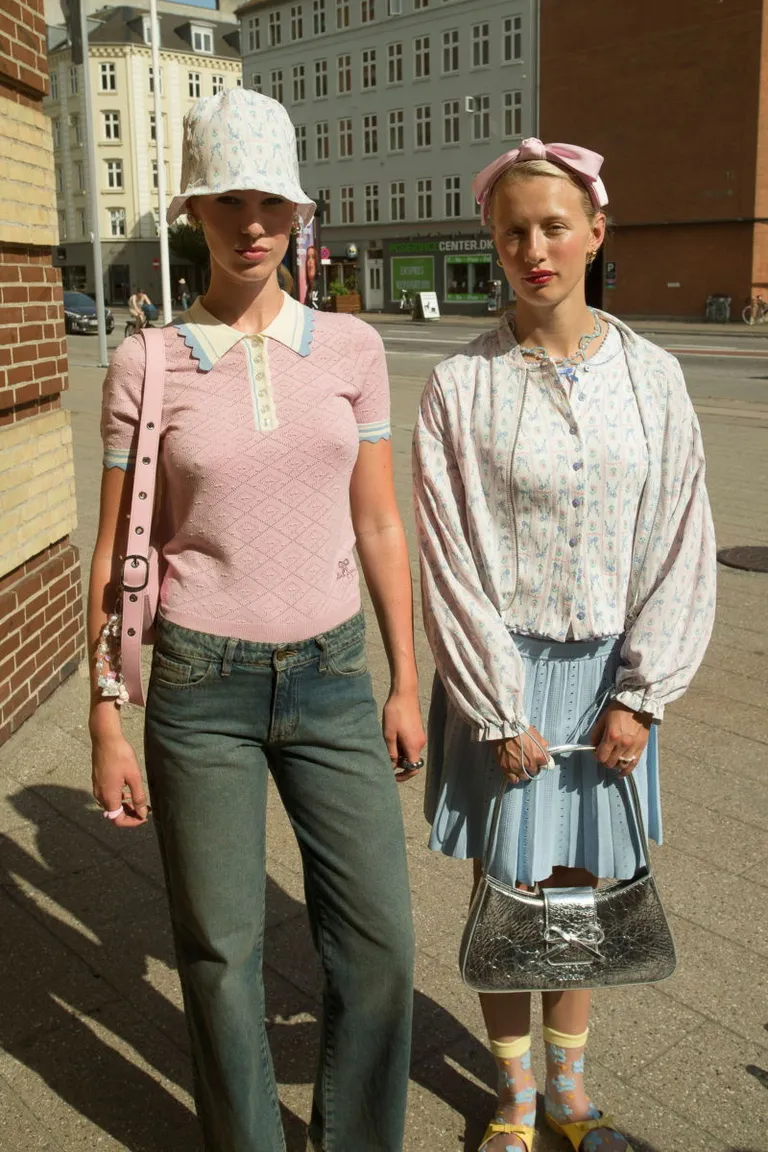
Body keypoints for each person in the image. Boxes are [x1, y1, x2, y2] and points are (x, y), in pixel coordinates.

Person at [89, 89, 425, 1152]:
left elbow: (378, 522)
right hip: (199, 688)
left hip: (332, 676)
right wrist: (107, 712)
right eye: (228, 201)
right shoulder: (148, 361)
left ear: (297, 214)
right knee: (221, 952)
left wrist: (406, 678)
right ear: (193, 211)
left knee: (378, 946)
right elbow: (116, 553)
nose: (251, 225)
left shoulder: (353, 348)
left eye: (271, 202)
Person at [413, 138, 716, 1152]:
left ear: (595, 230)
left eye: (553, 226)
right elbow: (448, 555)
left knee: (582, 883)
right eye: (512, 232)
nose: (534, 247)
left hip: (610, 675)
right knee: (505, 889)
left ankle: (571, 1089)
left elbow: (681, 533)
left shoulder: (656, 377)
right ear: (493, 246)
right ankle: (511, 1094)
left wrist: (642, 694)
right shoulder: (460, 387)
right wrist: (499, 707)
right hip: (499, 665)